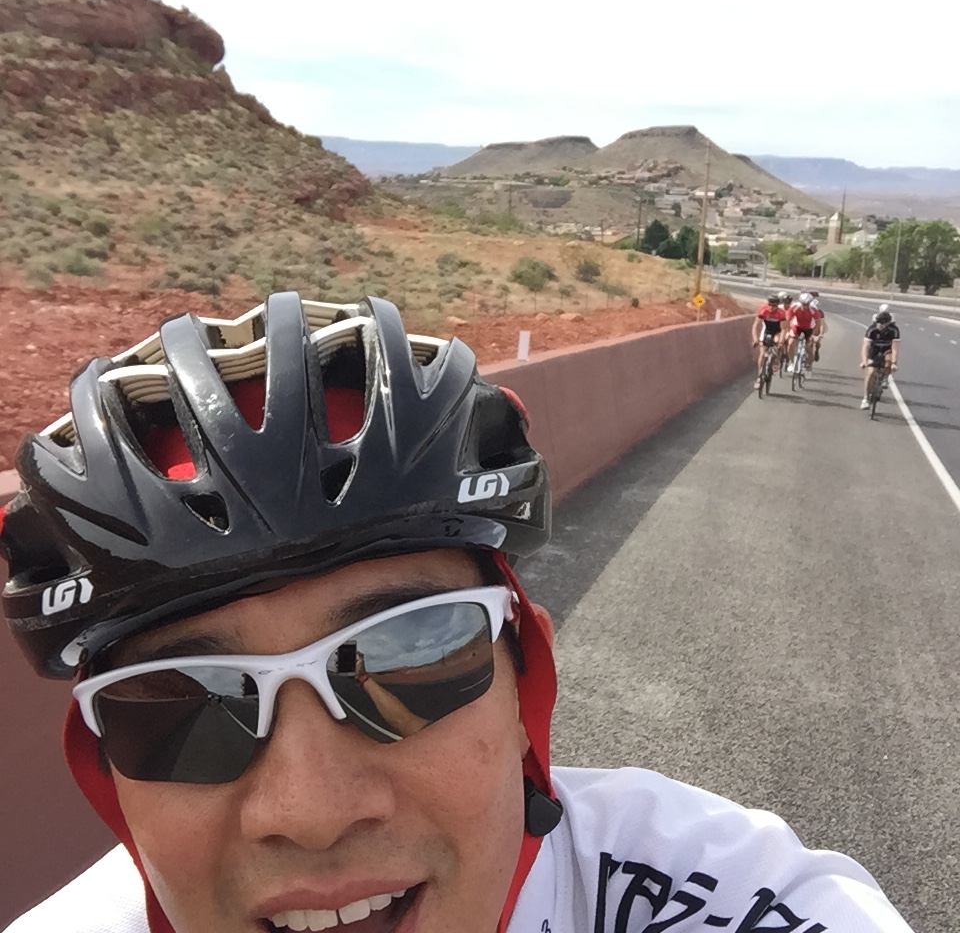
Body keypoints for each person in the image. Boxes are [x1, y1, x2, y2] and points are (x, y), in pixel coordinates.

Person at [2, 293, 915, 933]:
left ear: (525, 687)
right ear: (106, 772)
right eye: (180, 709)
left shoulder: (713, 891)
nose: (312, 812)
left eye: (406, 656)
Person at [860, 310, 901, 409]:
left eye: (883, 323)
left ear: (888, 323)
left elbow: (895, 348)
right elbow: (865, 346)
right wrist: (865, 361)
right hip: (873, 351)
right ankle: (866, 398)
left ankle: (885, 378)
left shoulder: (894, 330)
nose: (880, 325)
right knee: (871, 373)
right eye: (878, 322)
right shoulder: (872, 329)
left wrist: (894, 363)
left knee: (888, 361)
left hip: (887, 350)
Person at [750, 292, 786, 390]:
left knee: (777, 346)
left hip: (777, 332)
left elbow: (783, 329)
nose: (771, 307)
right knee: (762, 354)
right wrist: (755, 338)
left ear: (777, 305)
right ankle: (759, 377)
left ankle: (774, 362)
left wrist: (781, 340)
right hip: (766, 331)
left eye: (774, 305)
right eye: (770, 304)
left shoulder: (781, 313)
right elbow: (755, 325)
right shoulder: (764, 310)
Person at [785, 291, 820, 376]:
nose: (805, 306)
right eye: (803, 304)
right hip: (797, 326)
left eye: (807, 304)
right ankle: (791, 362)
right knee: (791, 343)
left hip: (808, 328)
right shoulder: (795, 307)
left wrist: (814, 334)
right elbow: (788, 319)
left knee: (809, 349)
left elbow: (818, 323)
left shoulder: (813, 309)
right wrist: (787, 331)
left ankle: (808, 366)